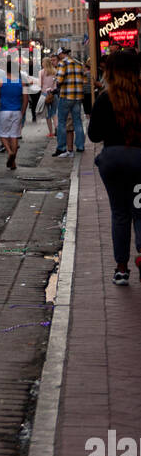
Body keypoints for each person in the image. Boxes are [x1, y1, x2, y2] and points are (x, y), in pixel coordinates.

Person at [87, 50, 141, 284]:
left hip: (113, 162)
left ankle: (121, 269)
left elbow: (94, 134)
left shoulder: (104, 98)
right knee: (140, 211)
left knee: (119, 212)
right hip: (140, 162)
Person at [0, 61, 28, 170]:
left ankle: (9, 152)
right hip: (16, 112)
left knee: (3, 134)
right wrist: (22, 112)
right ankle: (13, 162)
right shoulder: (22, 83)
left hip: (3, 111)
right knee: (14, 135)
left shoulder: (0, 82)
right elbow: (26, 100)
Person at [53, 50, 87, 158]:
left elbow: (59, 80)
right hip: (78, 96)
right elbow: (84, 80)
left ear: (61, 54)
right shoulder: (78, 63)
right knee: (77, 121)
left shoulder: (62, 63)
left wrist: (56, 83)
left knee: (62, 122)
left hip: (66, 96)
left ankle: (61, 148)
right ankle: (80, 146)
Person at [39, 55, 58, 139]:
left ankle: (50, 132)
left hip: (45, 94)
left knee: (48, 114)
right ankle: (57, 128)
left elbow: (40, 84)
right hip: (54, 94)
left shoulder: (42, 72)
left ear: (44, 63)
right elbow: (56, 84)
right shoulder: (55, 71)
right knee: (54, 113)